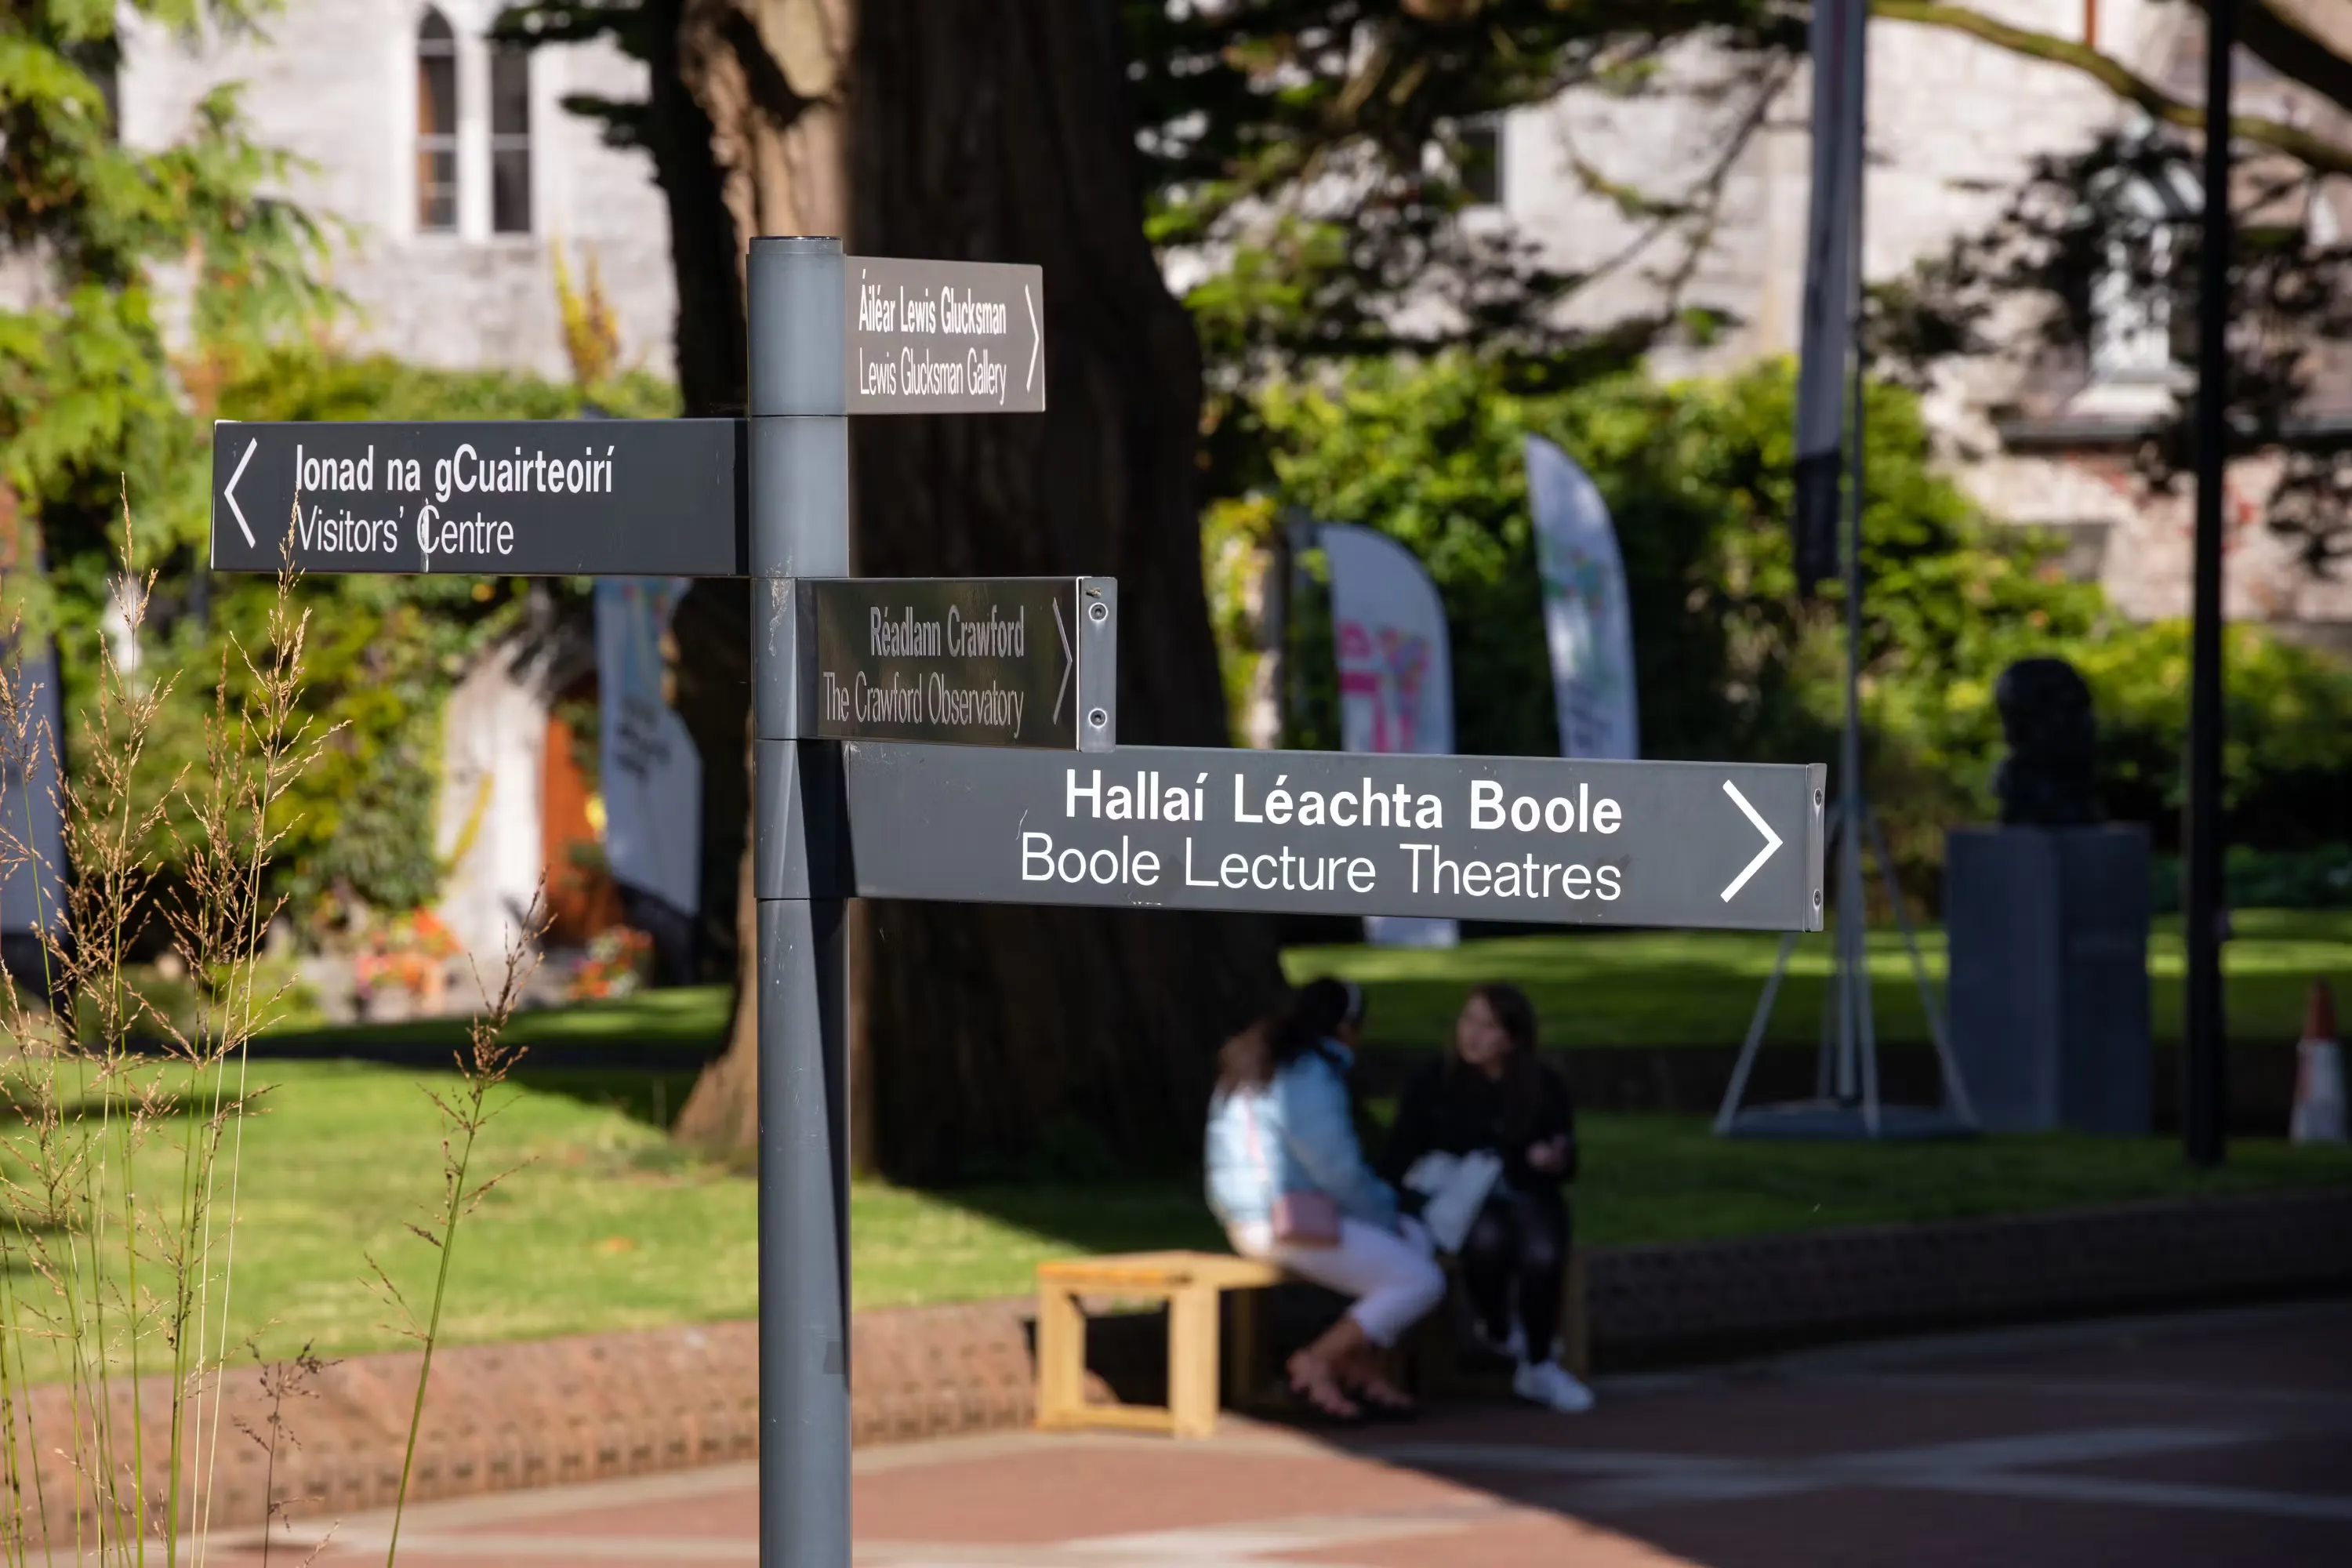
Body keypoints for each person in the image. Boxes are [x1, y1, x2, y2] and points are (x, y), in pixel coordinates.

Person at [1205, 977, 1445, 1420]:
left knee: (1415, 1241)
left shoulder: (1264, 1060)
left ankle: (1358, 1362)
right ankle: (1317, 1361)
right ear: (1347, 1029)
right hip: (1279, 1223)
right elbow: (1337, 1169)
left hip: (1265, 1217)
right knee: (1422, 1279)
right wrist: (1384, 1215)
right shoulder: (1307, 1073)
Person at [1381, 982, 1594, 1414]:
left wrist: (1551, 1158)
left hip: (1527, 1192)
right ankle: (1498, 1328)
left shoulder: (1542, 1085)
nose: (1472, 1035)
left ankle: (1538, 1363)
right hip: (1460, 1199)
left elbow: (1565, 1155)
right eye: (1468, 1021)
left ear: (1512, 1039)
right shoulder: (1435, 1081)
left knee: (1542, 1250)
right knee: (1487, 1239)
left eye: (1488, 1027)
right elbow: (1405, 1149)